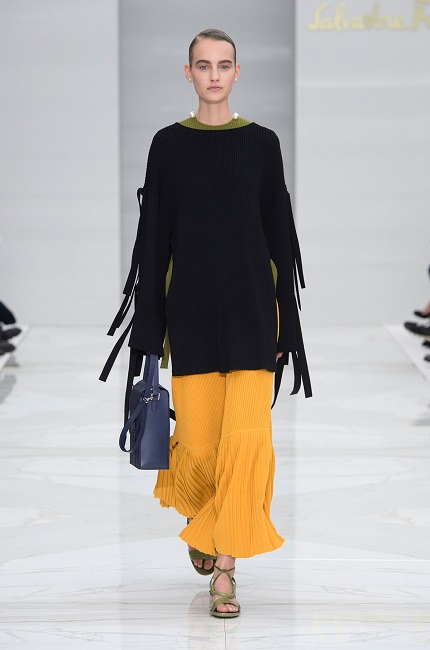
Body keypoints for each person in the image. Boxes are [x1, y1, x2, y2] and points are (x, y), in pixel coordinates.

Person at [102, 28, 311, 618]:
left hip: (252, 312)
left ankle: (225, 568)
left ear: (237, 73)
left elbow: (280, 239)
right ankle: (206, 521)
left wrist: (288, 329)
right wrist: (148, 329)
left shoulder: (262, 144)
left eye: (223, 65)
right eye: (203, 65)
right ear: (188, 72)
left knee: (245, 442)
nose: (214, 75)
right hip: (191, 313)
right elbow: (154, 241)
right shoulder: (168, 146)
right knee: (197, 445)